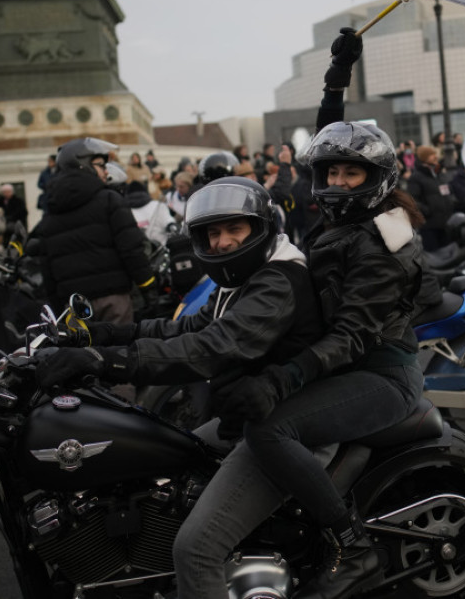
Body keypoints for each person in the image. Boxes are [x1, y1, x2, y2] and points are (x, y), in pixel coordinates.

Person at [34, 176, 326, 599]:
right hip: (248, 416)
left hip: (285, 427)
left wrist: (109, 363)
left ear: (260, 228)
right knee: (164, 461)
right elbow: (186, 327)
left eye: (233, 230)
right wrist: (100, 335)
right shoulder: (241, 278)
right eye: (212, 233)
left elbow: (211, 347)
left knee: (194, 549)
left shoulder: (278, 280)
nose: (222, 242)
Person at [221, 28, 425, 599]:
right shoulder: (339, 221)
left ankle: (351, 547)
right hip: (343, 364)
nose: (336, 181)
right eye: (330, 174)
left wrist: (285, 375)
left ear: (374, 179)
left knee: (271, 427)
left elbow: (356, 334)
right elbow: (333, 139)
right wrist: (337, 79)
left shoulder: (383, 237)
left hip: (379, 372)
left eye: (349, 175)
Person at [29, 137, 155, 324]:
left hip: (73, 307)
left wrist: (57, 307)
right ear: (83, 165)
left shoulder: (51, 209)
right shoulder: (110, 200)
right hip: (112, 300)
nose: (106, 170)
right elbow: (131, 249)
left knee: (84, 354)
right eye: (100, 164)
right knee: (119, 351)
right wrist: (149, 289)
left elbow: (47, 265)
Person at [407, 144, 455, 250]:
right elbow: (412, 200)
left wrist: (451, 202)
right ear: (424, 158)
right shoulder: (416, 177)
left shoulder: (440, 174)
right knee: (434, 257)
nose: (435, 157)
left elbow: (448, 192)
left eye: (435, 154)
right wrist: (428, 211)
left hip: (446, 223)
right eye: (431, 155)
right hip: (430, 226)